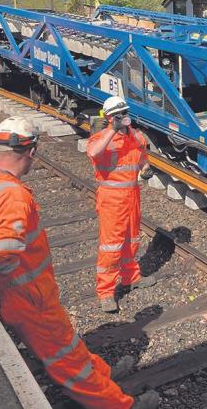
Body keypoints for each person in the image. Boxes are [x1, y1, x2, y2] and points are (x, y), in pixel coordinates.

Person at [0, 116, 159, 408]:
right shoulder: (14, 197)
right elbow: (3, 258)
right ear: (31, 152)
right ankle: (119, 404)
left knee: (68, 343)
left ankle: (102, 375)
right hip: (26, 297)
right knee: (64, 358)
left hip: (24, 293)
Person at [87, 96, 156, 313]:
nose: (124, 117)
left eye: (125, 112)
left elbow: (142, 156)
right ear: (109, 117)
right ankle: (106, 292)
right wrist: (112, 130)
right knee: (111, 246)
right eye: (119, 114)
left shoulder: (136, 136)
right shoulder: (100, 138)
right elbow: (93, 153)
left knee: (131, 239)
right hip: (111, 198)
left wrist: (145, 168)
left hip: (132, 195)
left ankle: (131, 277)